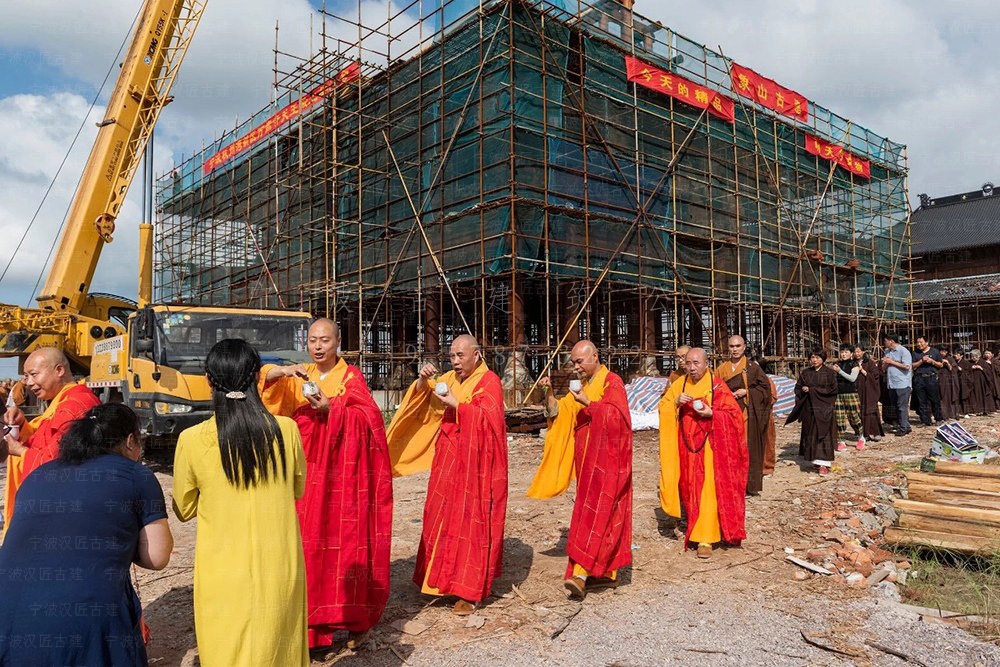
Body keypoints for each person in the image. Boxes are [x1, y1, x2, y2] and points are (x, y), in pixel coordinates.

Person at [0, 403, 172, 666]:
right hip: (84, 627)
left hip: (9, 620)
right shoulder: (136, 475)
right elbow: (157, 557)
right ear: (129, 441)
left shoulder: (38, 475)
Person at [258, 319, 393, 651]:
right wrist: (280, 371)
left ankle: (351, 619)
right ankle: (310, 628)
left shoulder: (350, 377)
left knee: (344, 544)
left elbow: (370, 420)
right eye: (313, 340)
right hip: (306, 471)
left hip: (342, 478)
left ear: (338, 342)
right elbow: (265, 392)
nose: (318, 346)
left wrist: (332, 409)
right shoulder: (299, 374)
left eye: (325, 341)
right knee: (306, 545)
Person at [173, 339, 309, 666]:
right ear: (256, 378)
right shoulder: (287, 431)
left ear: (208, 379)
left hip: (222, 571)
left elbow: (184, 508)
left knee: (226, 649)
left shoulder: (191, 440)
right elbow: (297, 489)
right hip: (279, 565)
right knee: (280, 646)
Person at [387, 335, 508, 615]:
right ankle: (440, 581)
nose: (454, 362)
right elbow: (423, 400)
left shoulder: (489, 381)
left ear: (476, 355)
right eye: (451, 356)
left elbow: (491, 423)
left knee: (470, 521)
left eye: (460, 356)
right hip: (448, 460)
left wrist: (457, 405)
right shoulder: (451, 379)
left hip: (476, 465)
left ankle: (468, 591)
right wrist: (421, 379)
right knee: (439, 515)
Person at [528, 340, 632, 599]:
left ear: (595, 357)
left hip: (608, 462)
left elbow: (619, 419)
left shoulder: (612, 382)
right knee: (595, 514)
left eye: (579, 362)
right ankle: (603, 572)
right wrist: (549, 393)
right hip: (586, 463)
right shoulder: (583, 386)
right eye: (573, 362)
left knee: (598, 515)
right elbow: (560, 413)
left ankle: (581, 573)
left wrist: (589, 403)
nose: (575, 367)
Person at [659, 347, 747, 558]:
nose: (692, 368)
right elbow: (663, 406)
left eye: (696, 363)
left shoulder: (716, 385)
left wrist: (712, 413)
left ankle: (705, 537)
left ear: (706, 364)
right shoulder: (679, 384)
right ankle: (692, 523)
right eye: (688, 363)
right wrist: (675, 404)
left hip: (709, 447)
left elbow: (734, 415)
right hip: (686, 447)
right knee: (690, 487)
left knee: (707, 488)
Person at [2, 348, 100, 532]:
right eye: (26, 376)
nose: (29, 383)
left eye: (33, 375)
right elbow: (44, 438)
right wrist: (22, 423)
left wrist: (20, 451)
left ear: (59, 370)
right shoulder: (63, 402)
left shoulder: (74, 407)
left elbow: (56, 462)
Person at [714, 335, 772, 495]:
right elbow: (713, 389)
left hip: (746, 414)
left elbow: (765, 390)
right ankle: (731, 483)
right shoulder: (722, 368)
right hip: (727, 415)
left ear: (744, 347)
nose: (734, 349)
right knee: (729, 449)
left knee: (745, 448)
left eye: (738, 346)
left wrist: (747, 391)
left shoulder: (753, 367)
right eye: (731, 346)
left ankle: (747, 485)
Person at [786, 350, 838, 475]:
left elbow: (832, 390)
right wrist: (803, 391)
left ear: (823, 358)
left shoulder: (829, 373)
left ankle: (824, 464)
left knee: (823, 434)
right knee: (811, 433)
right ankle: (815, 459)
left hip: (824, 408)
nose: (815, 360)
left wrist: (812, 390)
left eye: (818, 357)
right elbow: (797, 388)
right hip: (809, 408)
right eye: (812, 357)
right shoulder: (805, 373)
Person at [831, 346, 864, 451]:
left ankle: (861, 437)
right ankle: (841, 440)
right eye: (842, 352)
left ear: (851, 354)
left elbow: (852, 378)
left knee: (854, 416)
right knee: (839, 418)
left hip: (850, 393)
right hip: (838, 394)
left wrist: (839, 371)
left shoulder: (854, 364)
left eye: (846, 352)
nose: (843, 354)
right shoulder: (838, 364)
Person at [881, 334, 913, 436]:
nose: (884, 343)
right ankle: (905, 425)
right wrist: (885, 363)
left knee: (902, 407)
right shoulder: (887, 352)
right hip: (891, 384)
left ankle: (903, 428)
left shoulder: (904, 351)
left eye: (885, 341)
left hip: (902, 383)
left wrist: (892, 361)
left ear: (891, 341)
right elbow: (883, 368)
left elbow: (907, 366)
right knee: (895, 406)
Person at [911, 336, 944, 426]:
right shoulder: (915, 353)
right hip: (919, 378)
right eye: (917, 342)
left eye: (921, 342)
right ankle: (925, 420)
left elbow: (941, 365)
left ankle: (938, 418)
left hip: (931, 378)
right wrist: (921, 361)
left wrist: (932, 361)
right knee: (921, 400)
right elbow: (912, 366)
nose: (919, 344)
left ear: (927, 342)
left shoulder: (934, 351)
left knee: (935, 400)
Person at [854, 346, 884, 441]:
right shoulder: (853, 363)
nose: (857, 354)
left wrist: (863, 371)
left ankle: (875, 432)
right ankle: (865, 434)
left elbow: (876, 375)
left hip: (869, 390)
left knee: (871, 410)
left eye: (859, 351)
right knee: (860, 411)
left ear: (863, 352)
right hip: (858, 390)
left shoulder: (869, 363)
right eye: (855, 352)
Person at [968, 349, 992, 416]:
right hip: (973, 382)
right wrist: (971, 367)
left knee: (982, 395)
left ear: (978, 356)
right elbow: (966, 370)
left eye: (974, 356)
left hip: (982, 382)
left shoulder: (983, 362)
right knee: (974, 395)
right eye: (972, 356)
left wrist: (981, 368)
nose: (973, 358)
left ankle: (984, 410)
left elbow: (989, 372)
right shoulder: (970, 363)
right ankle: (975, 410)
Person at [938, 348, 959, 420]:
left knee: (948, 396)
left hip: (948, 381)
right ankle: (942, 414)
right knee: (941, 397)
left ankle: (950, 414)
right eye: (941, 351)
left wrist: (947, 363)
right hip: (939, 379)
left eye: (944, 351)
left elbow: (953, 369)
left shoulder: (950, 359)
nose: (942, 353)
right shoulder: (937, 358)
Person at [955, 350, 975, 418]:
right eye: (955, 354)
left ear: (961, 356)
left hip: (964, 382)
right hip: (957, 381)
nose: (956, 356)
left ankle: (966, 412)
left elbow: (969, 373)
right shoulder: (955, 362)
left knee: (964, 396)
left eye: (957, 355)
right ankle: (959, 411)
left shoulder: (966, 363)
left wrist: (961, 370)